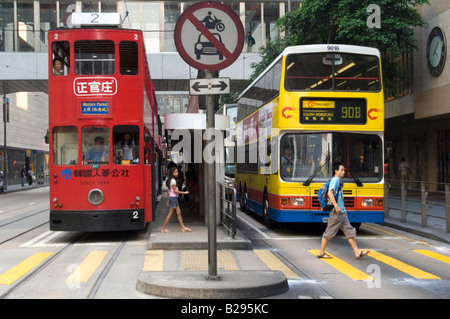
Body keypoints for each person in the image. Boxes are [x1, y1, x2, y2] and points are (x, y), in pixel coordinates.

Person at [316, 161, 370, 260]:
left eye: (344, 170)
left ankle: (357, 252)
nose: (343, 172)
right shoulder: (335, 180)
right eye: (341, 170)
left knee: (349, 232)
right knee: (329, 233)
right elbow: (330, 193)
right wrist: (336, 206)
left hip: (342, 212)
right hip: (336, 212)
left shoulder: (338, 180)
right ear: (336, 171)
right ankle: (321, 252)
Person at [160, 167, 191, 233]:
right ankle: (163, 228)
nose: (177, 173)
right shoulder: (173, 181)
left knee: (179, 213)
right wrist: (184, 192)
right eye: (175, 172)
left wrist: (168, 200)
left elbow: (169, 191)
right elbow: (175, 191)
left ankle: (183, 227)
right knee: (170, 214)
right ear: (172, 173)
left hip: (173, 198)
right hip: (173, 198)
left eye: (177, 172)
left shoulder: (171, 180)